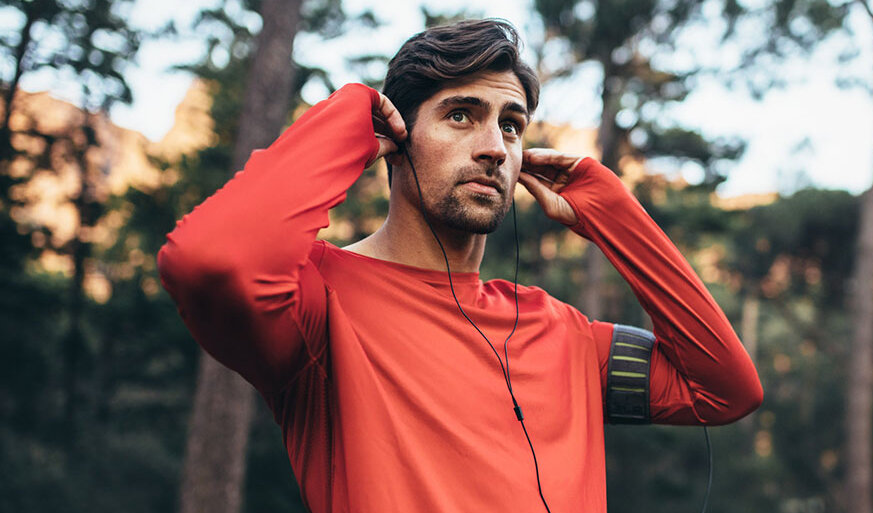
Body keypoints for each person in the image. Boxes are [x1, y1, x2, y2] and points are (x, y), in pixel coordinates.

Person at [157, 18, 761, 513]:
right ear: (393, 136)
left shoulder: (566, 336)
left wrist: (612, 213)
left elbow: (724, 389)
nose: (494, 146)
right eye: (460, 115)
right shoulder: (316, 305)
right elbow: (209, 259)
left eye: (511, 124)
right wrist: (346, 121)